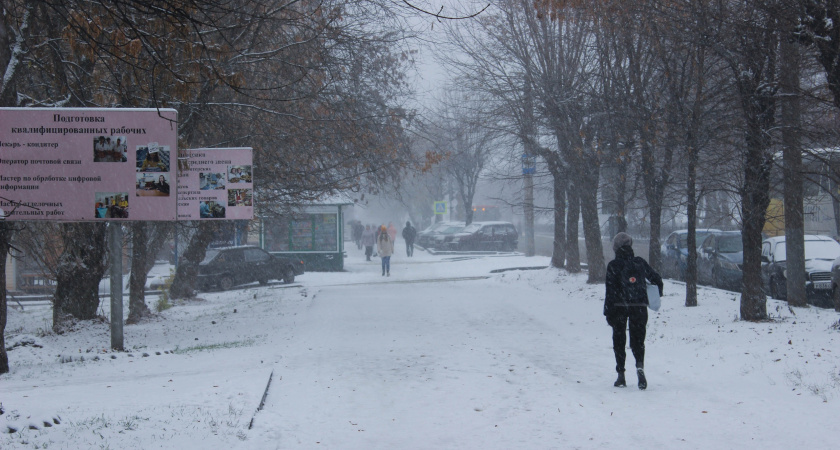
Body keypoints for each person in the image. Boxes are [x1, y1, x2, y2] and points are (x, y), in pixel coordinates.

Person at [603, 232, 663, 390]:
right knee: (638, 340)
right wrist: (654, 294)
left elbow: (610, 291)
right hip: (639, 306)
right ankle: (640, 367)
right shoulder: (639, 263)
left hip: (619, 307)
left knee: (619, 340)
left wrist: (608, 312)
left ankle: (621, 374)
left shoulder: (613, 266)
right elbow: (656, 279)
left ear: (616, 248)